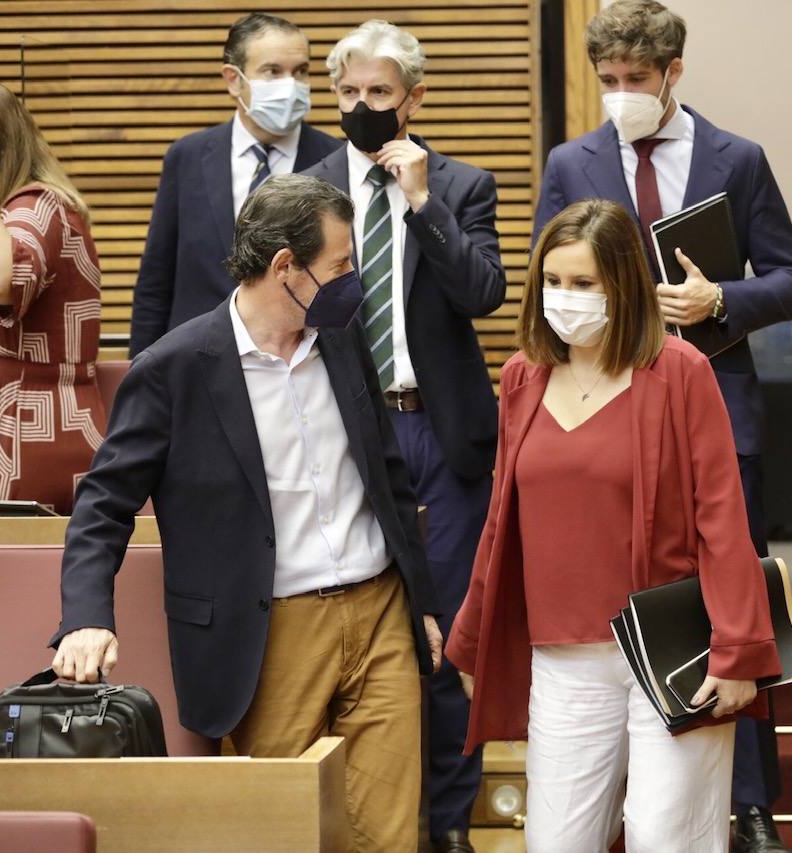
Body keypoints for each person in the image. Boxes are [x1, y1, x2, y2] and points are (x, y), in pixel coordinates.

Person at [50, 175, 442, 851]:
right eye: (341, 266)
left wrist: (422, 603)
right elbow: (103, 504)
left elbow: (389, 476)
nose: (354, 280)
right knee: (283, 833)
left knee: (389, 835)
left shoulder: (343, 340)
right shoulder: (174, 368)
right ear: (284, 266)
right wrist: (86, 615)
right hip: (270, 634)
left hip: (379, 614)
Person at [531, 4, 792, 846]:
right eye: (608, 81)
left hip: (716, 400)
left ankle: (751, 803)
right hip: (610, 414)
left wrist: (721, 299)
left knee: (730, 599)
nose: (622, 95)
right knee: (628, 605)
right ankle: (627, 789)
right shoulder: (571, 161)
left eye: (637, 80)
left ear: (674, 72)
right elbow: (555, 285)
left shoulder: (738, 158)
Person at [446, 198, 780, 853]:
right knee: (556, 842)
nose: (563, 297)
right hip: (564, 655)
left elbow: (722, 515)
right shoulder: (523, 377)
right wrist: (474, 634)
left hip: (674, 650)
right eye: (553, 281)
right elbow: (501, 521)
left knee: (666, 839)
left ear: (622, 284)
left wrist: (739, 649)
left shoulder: (681, 372)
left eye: (583, 284)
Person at [301, 20, 506, 853]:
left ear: (414, 100)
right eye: (347, 93)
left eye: (378, 94)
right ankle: (372, 816)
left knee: (452, 636)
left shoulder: (460, 185)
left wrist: (421, 204)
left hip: (442, 434)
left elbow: (484, 293)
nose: (360, 107)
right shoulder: (308, 191)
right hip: (350, 436)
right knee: (371, 629)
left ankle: (450, 820)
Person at [128, 12, 341, 356]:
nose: (290, 85)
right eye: (273, 71)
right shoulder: (188, 157)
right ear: (233, 79)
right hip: (196, 359)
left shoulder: (335, 158)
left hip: (301, 361)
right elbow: (156, 280)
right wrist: (140, 374)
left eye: (300, 72)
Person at [0, 79, 105, 513]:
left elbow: (2, 284)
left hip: (27, 431)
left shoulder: (41, 205)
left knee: (15, 573)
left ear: (1, 143)